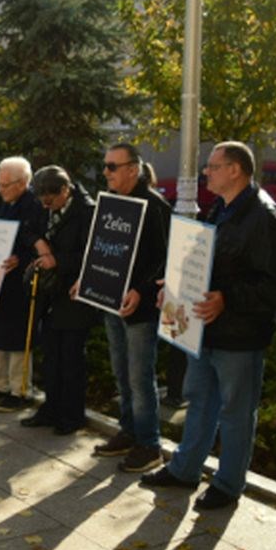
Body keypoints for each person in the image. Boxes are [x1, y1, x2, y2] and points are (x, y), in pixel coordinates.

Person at [143, 141, 276, 510]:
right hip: (205, 327)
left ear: (236, 170)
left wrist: (228, 298)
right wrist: (174, 289)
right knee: (200, 402)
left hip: (240, 336)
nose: (205, 173)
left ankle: (228, 484)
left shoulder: (265, 217)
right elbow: (204, 260)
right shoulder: (221, 207)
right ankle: (185, 469)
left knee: (235, 412)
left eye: (212, 166)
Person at [90, 143, 172, 473]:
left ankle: (149, 444)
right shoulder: (112, 204)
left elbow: (165, 258)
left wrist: (140, 289)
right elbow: (101, 249)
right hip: (111, 300)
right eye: (105, 165)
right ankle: (129, 430)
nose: (106, 172)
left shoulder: (155, 206)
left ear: (132, 170)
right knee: (122, 373)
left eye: (112, 166)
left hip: (140, 309)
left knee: (140, 378)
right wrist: (87, 278)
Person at [23, 166, 97, 434]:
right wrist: (39, 244)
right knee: (51, 356)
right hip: (50, 293)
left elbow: (92, 255)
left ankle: (71, 415)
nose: (46, 205)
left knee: (71, 358)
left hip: (73, 293)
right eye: (42, 200)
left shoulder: (87, 212)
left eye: (51, 200)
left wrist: (58, 260)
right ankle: (50, 408)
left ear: (65, 190)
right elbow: (28, 227)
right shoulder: (43, 204)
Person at [0, 156, 45, 412]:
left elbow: (40, 244)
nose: (1, 189)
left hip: (19, 284)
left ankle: (19, 390)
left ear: (24, 182)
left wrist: (22, 258)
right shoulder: (0, 202)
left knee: (17, 338)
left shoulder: (34, 206)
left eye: (6, 184)